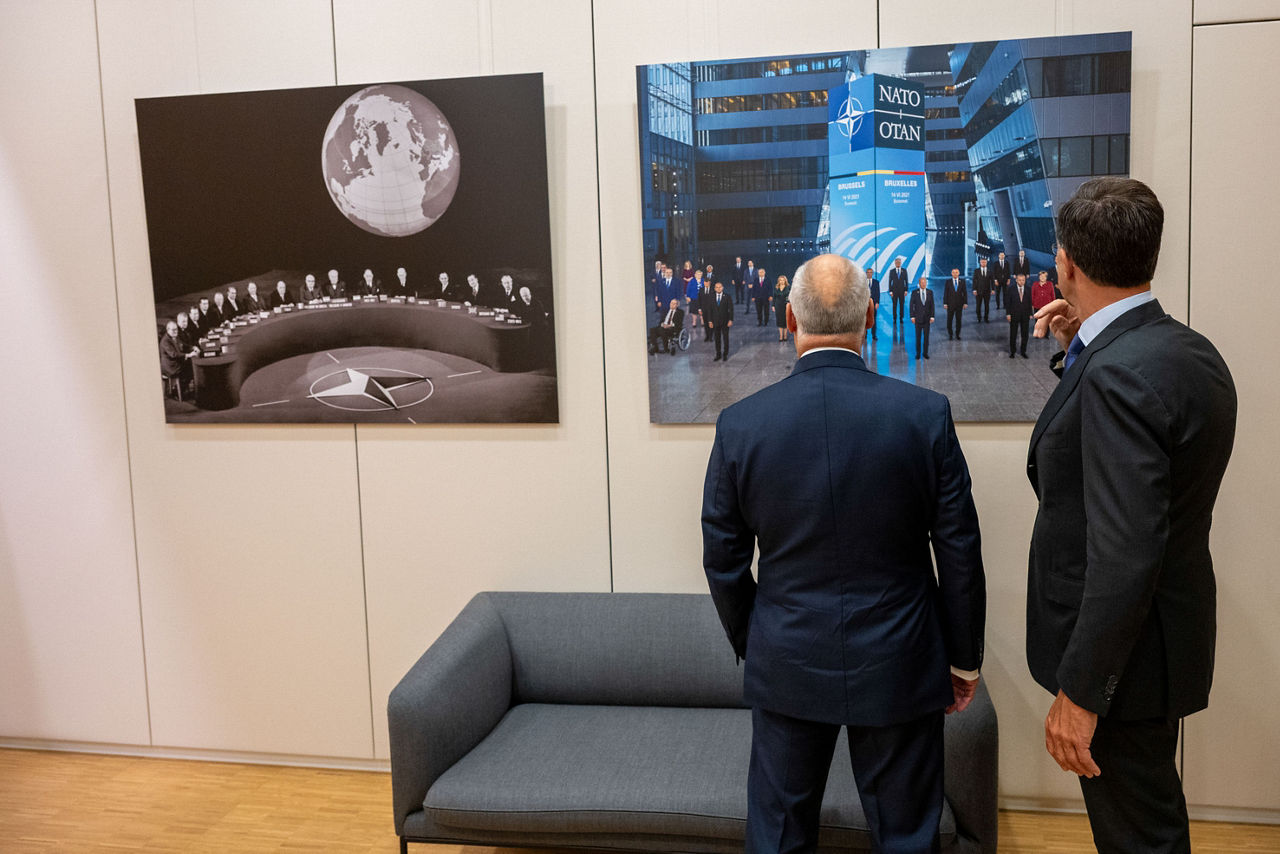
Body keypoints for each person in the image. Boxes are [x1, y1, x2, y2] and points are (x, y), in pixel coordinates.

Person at [701, 253, 985, 854]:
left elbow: (723, 558)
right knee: (907, 838)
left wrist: (760, 635)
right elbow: (959, 548)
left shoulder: (741, 425)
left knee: (778, 838)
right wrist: (963, 659)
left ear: (789, 318)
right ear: (872, 315)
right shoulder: (924, 416)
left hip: (787, 656)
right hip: (901, 656)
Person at [1026, 177, 1236, 854]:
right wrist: (1082, 349)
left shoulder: (1116, 373)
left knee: (1140, 838)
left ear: (1067, 264)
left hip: (1122, 663)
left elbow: (1124, 552)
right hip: (1159, 644)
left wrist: (1084, 692)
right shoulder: (1187, 351)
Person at [705, 280, 733, 361]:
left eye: (720, 287)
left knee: (725, 338)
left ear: (722, 288)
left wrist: (730, 320)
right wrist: (710, 321)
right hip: (715, 321)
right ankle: (718, 354)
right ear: (714, 288)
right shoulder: (711, 297)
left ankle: (725, 354)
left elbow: (731, 309)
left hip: (725, 321)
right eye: (716, 287)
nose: (718, 288)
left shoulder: (727, 297)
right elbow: (709, 310)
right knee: (717, 339)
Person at [1006, 273, 1033, 358]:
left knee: (1025, 334)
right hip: (1014, 314)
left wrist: (1030, 313)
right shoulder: (1011, 289)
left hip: (1025, 315)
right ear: (1016, 280)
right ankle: (1012, 351)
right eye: (1020, 280)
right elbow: (1008, 302)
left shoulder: (1028, 289)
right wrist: (1008, 314)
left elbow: (1030, 302)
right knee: (1013, 334)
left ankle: (1023, 351)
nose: (1022, 282)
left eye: (1023, 280)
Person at [910, 275, 934, 359]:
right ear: (919, 283)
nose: (923, 284)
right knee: (918, 337)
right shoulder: (914, 292)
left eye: (925, 282)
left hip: (927, 319)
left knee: (926, 338)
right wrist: (912, 317)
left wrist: (932, 316)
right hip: (918, 319)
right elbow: (911, 305)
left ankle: (925, 353)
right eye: (922, 282)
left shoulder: (930, 292)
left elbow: (932, 305)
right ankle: (918, 353)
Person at [944, 268, 968, 340]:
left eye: (956, 272)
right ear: (951, 273)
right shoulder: (948, 282)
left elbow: (965, 293)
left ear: (959, 273)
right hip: (950, 304)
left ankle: (957, 334)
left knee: (958, 320)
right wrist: (945, 303)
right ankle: (950, 334)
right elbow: (946, 293)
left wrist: (965, 303)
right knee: (949, 320)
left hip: (959, 304)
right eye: (953, 272)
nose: (955, 274)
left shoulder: (962, 281)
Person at [887, 257, 909, 325]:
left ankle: (901, 318)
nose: (898, 263)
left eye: (899, 262)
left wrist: (906, 290)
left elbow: (906, 281)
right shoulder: (892, 271)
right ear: (895, 263)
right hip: (894, 291)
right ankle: (894, 318)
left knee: (902, 305)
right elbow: (890, 281)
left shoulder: (904, 271)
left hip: (902, 291)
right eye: (897, 262)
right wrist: (890, 291)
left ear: (901, 263)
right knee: (894, 305)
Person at [972, 257, 993, 323]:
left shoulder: (990, 271)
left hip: (987, 291)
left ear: (986, 263)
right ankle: (979, 318)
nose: (983, 263)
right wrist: (974, 290)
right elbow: (974, 281)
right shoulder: (976, 271)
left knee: (987, 306)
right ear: (980, 263)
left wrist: (993, 289)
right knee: (978, 306)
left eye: (984, 262)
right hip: (978, 291)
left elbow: (992, 281)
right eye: (982, 262)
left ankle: (986, 318)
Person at [771, 274, 791, 342]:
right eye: (780, 280)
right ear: (778, 281)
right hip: (778, 306)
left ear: (785, 281)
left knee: (785, 322)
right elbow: (774, 297)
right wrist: (773, 305)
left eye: (783, 280)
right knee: (779, 322)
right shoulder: (776, 288)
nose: (782, 281)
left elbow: (790, 297)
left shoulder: (788, 287)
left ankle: (785, 336)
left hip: (786, 306)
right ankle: (780, 336)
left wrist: (788, 303)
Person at [864, 267, 879, 341]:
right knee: (865, 320)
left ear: (872, 273)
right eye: (868, 272)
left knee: (874, 320)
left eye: (871, 272)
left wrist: (877, 302)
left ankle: (874, 335)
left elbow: (878, 293)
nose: (869, 274)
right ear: (866, 273)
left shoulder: (876, 282)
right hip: (865, 304)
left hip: (873, 304)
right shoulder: (863, 282)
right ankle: (865, 335)